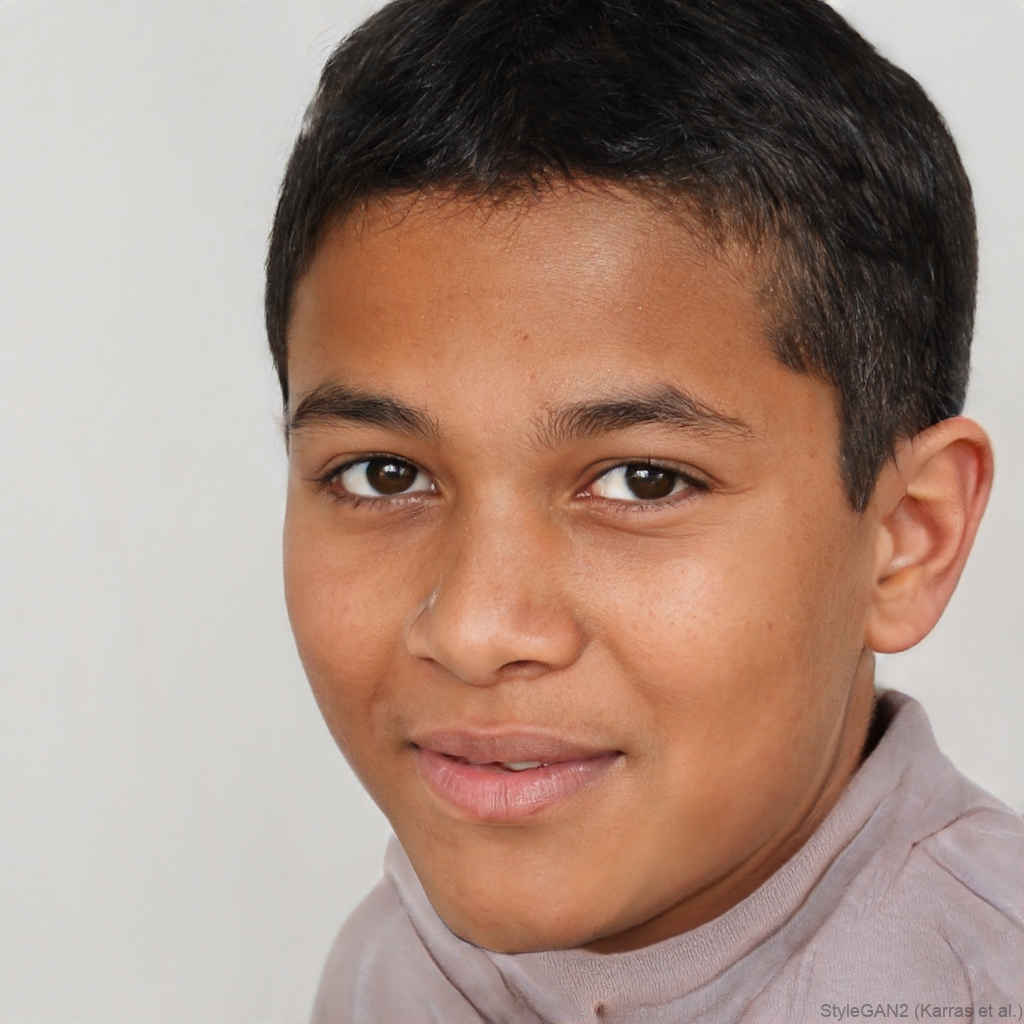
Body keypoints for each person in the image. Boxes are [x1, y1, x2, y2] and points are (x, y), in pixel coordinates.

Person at [265, 1, 1024, 1020]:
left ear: (904, 539)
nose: (475, 630)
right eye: (385, 475)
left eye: (642, 481)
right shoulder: (385, 973)